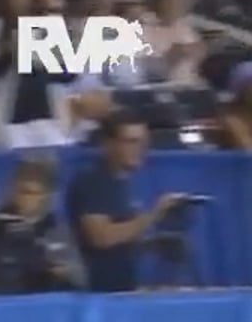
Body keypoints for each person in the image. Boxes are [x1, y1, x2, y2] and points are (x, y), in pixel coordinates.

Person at [65, 111, 188, 293]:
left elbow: (119, 240)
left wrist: (153, 244)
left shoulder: (121, 182)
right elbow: (100, 238)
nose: (139, 150)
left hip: (122, 290)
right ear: (107, 144)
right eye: (131, 142)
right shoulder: (94, 181)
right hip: (98, 296)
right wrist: (154, 214)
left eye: (143, 143)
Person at [0, 158, 83, 294]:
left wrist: (60, 270)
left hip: (39, 299)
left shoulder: (56, 228)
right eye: (19, 190)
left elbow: (80, 277)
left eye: (31, 192)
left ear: (45, 196)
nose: (24, 198)